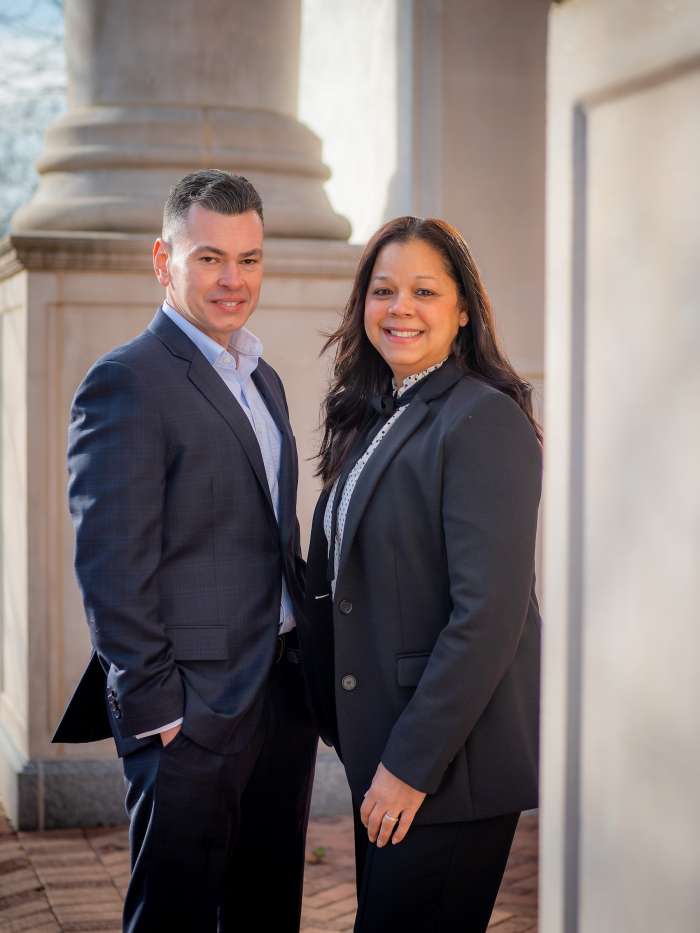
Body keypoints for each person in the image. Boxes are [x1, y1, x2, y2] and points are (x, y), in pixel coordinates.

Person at [53, 169, 318, 933]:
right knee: (174, 916)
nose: (233, 280)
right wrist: (158, 708)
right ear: (164, 260)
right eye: (210, 258)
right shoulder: (127, 382)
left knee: (266, 910)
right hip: (189, 715)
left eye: (249, 259)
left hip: (277, 697)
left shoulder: (261, 378)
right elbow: (110, 566)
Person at [303, 216, 542, 932]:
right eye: (383, 290)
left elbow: (488, 616)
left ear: (463, 309)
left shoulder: (481, 419)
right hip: (389, 746)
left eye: (424, 291)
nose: (400, 307)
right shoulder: (376, 416)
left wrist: (410, 764)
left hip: (447, 762)